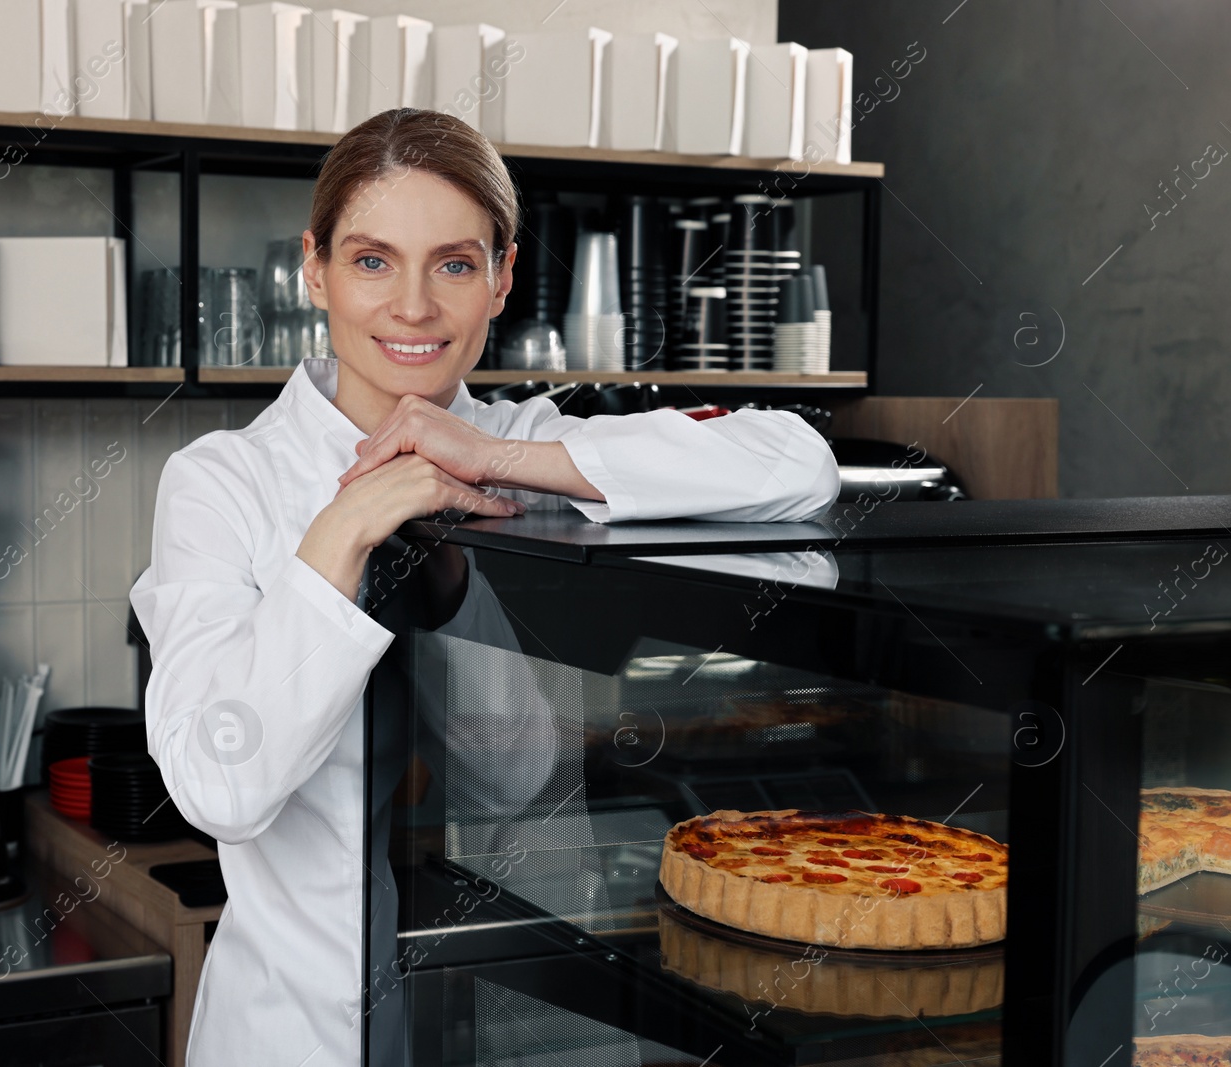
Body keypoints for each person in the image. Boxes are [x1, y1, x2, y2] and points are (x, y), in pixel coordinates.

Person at [128, 107, 840, 1067]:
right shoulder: (223, 482)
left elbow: (799, 463)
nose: (413, 307)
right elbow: (221, 789)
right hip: (302, 1031)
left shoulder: (533, 443)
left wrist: (498, 457)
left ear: (502, 276)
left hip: (521, 1011)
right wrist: (344, 530)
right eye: (373, 260)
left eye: (454, 264)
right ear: (316, 267)